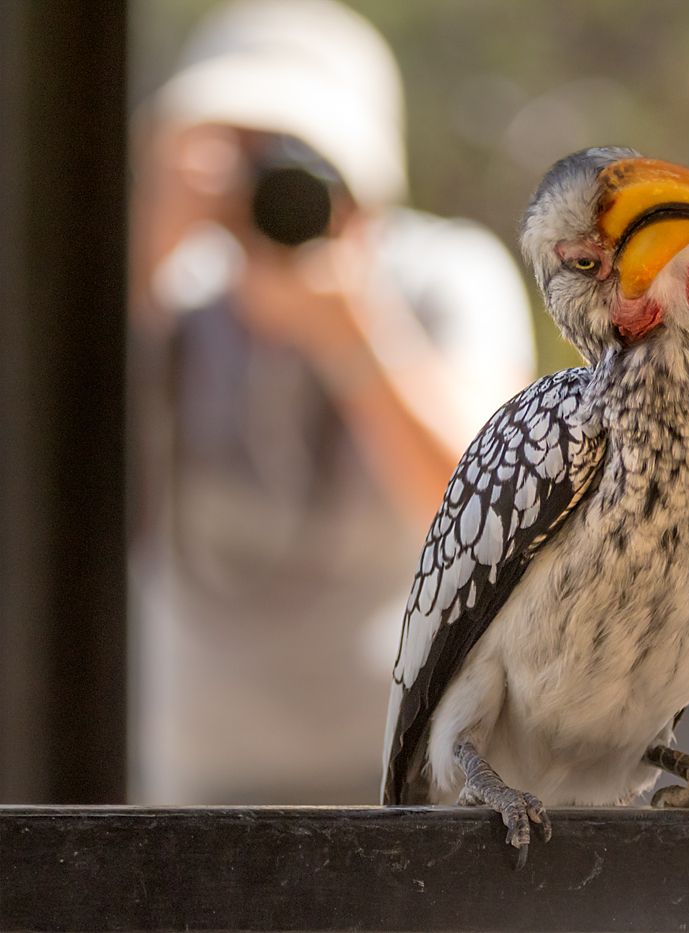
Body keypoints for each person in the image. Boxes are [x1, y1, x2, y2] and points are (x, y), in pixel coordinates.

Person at [128, 0, 535, 803]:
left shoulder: (441, 277)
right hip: (195, 793)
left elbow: (499, 517)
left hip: (414, 791)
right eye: (235, 153)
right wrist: (147, 238)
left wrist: (353, 338)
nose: (268, 189)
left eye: (297, 154)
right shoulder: (168, 298)